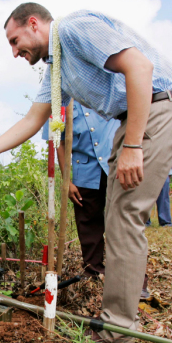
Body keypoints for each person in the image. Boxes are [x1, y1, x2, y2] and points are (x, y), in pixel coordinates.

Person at [0, 4, 172, 343]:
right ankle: (116, 320)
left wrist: (133, 146)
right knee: (118, 213)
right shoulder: (57, 67)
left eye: (14, 40)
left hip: (157, 109)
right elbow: (33, 120)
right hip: (137, 116)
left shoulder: (72, 29)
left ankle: (117, 330)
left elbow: (139, 66)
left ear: (33, 24)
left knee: (125, 217)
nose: (14, 52)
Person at [54, 102, 150, 297]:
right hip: (85, 171)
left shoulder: (110, 93)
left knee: (124, 222)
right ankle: (93, 270)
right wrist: (67, 181)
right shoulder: (61, 104)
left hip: (118, 165)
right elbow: (59, 142)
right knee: (88, 222)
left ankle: (134, 278)